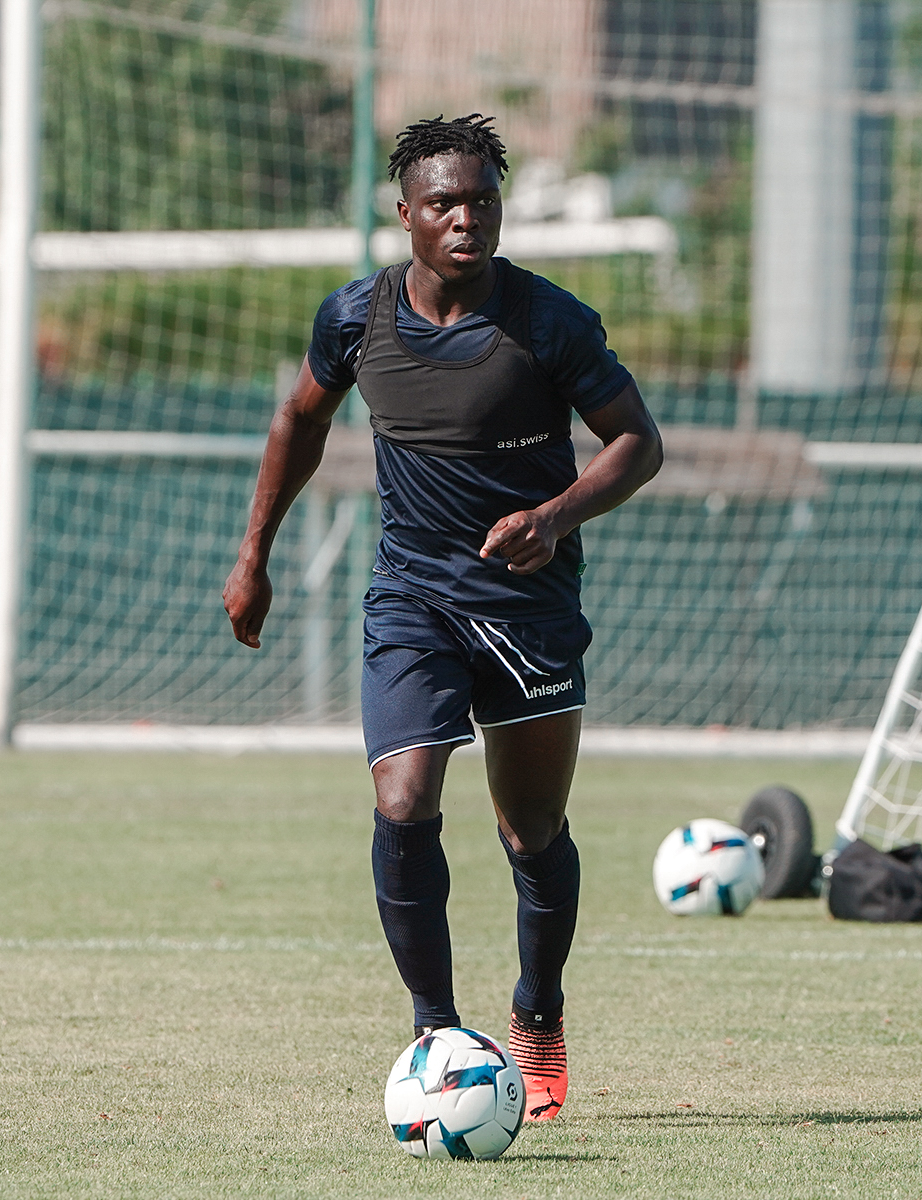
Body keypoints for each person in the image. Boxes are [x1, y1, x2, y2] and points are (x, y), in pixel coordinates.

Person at [223, 113, 662, 1123]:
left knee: (530, 831)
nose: (466, 219)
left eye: (482, 201)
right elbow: (299, 418)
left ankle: (536, 1009)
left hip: (527, 608)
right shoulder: (354, 318)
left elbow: (635, 442)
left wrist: (553, 517)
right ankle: (436, 1032)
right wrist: (253, 557)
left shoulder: (549, 322)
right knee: (403, 798)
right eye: (444, 204)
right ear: (406, 215)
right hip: (412, 599)